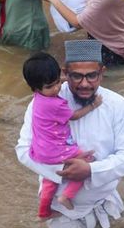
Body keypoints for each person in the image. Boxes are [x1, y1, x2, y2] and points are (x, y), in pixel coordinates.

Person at [15, 39, 124, 228]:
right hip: (62, 211)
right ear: (65, 73)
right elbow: (23, 151)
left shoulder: (116, 104)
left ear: (102, 72)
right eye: (76, 76)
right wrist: (64, 169)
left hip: (105, 200)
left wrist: (90, 170)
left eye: (91, 75)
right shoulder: (42, 103)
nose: (84, 83)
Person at [21, 52, 102, 217]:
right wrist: (93, 104)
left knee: (48, 182)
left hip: (42, 151)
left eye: (58, 82)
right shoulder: (55, 104)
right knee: (86, 164)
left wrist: (66, 79)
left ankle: (43, 213)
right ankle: (66, 196)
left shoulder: (37, 99)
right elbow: (75, 115)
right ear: (36, 88)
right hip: (58, 151)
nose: (57, 88)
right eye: (51, 86)